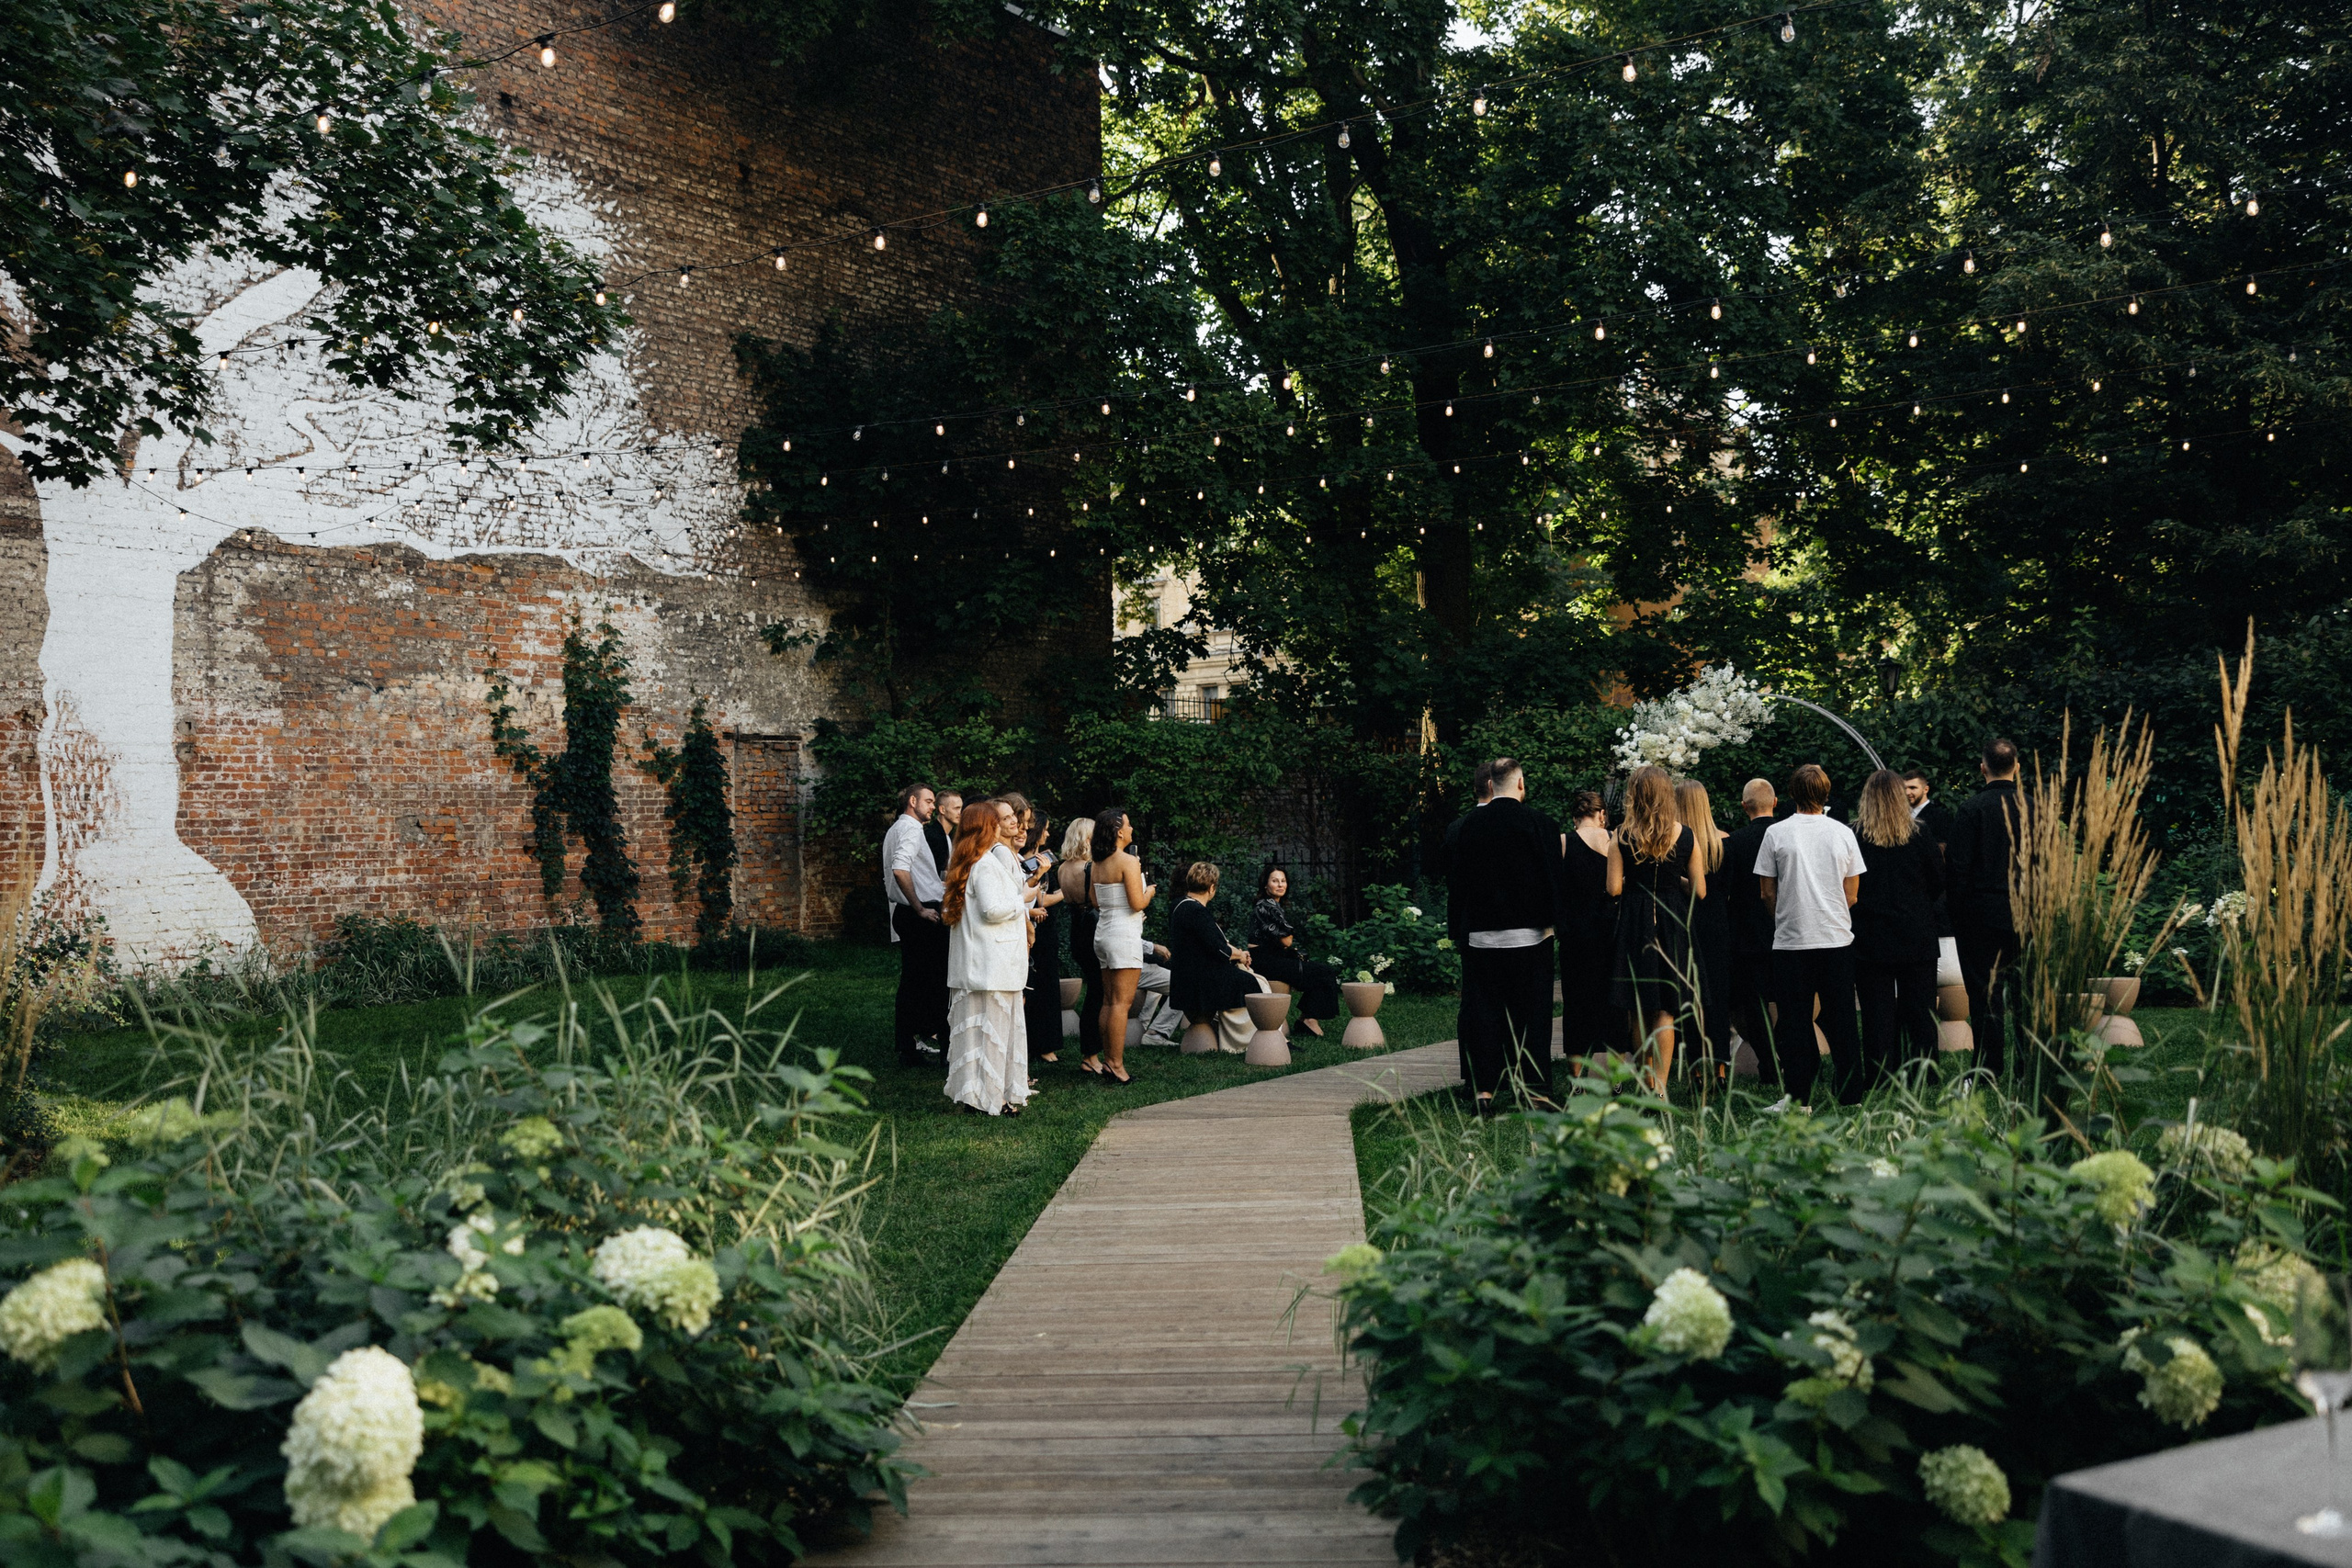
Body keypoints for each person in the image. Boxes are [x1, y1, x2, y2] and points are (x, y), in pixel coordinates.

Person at [1450, 759, 1564, 1111]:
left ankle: (1484, 1091)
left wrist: (1460, 930)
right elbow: (1553, 880)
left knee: (1484, 1011)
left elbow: (1458, 882)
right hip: (1531, 935)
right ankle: (1534, 1090)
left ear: (1490, 785)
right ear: (1519, 783)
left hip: (1481, 936)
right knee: (1533, 1013)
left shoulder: (1466, 826)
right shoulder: (1541, 824)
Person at [1757, 762, 1867, 1105]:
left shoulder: (1776, 833)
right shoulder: (1843, 832)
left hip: (1792, 941)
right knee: (1843, 1019)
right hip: (1836, 938)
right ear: (1826, 793)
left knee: (1794, 1022)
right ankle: (1851, 1094)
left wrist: (1788, 917)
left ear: (1790, 795)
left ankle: (1797, 1098)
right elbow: (1852, 893)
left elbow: (1766, 892)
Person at [1608, 765, 1704, 1095]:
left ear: (1634, 795)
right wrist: (1671, 877)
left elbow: (1614, 890)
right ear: (1667, 794)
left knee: (1639, 1005)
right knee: (1667, 1006)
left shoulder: (1621, 835)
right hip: (1672, 921)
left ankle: (1646, 1079)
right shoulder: (1686, 834)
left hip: (1635, 921)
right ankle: (1661, 1086)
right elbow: (1700, 890)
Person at [1852, 769, 1945, 1084]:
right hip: (1915, 930)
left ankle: (1880, 1073)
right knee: (1920, 1008)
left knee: (1876, 1010)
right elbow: (1937, 881)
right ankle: (1925, 1073)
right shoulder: (1920, 834)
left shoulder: (1855, 836)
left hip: (1869, 934)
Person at [941, 796, 1029, 1116]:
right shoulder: (986, 864)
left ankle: (974, 1096)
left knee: (975, 1035)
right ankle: (993, 1099)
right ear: (985, 827)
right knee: (993, 1033)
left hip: (977, 964)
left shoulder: (965, 862)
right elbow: (993, 910)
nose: (1000, 827)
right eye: (995, 822)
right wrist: (1022, 901)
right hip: (994, 965)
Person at [1945, 739, 2026, 1072]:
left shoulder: (1971, 809)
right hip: (2029, 913)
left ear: (1982, 768)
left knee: (1985, 995)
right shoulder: (2035, 807)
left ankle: (1989, 1066)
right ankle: (2028, 1065)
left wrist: (1958, 914)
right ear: (2017, 766)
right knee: (2026, 995)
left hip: (1981, 917)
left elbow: (1957, 868)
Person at [1442, 760, 1499, 1087]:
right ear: (1494, 785)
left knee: (1473, 999)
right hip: (1493, 923)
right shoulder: (1491, 825)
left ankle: (1472, 1075)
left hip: (1466, 923)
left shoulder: (1456, 827)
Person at [1170, 862, 1265, 1054]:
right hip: (1202, 982)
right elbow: (1220, 950)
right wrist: (1241, 955)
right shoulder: (1197, 911)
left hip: (1184, 978)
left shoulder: (1178, 906)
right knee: (1251, 982)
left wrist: (1237, 954)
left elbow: (1208, 944)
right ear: (1212, 888)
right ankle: (1243, 1042)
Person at [883, 782, 946, 1069]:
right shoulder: (910, 829)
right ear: (912, 801)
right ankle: (940, 1046)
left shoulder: (896, 829)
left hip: (908, 912)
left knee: (912, 982)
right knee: (934, 980)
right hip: (919, 914)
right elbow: (900, 868)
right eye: (929, 801)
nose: (933, 807)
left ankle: (908, 1046)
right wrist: (920, 907)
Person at [1090, 807, 1154, 1087]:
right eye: (1127, 825)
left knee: (1108, 1000)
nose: (1131, 830)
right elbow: (1137, 903)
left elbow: (1094, 900)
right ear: (1118, 832)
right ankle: (1116, 1065)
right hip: (1123, 935)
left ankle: (1108, 1061)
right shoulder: (1128, 861)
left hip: (1103, 933)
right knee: (1121, 1003)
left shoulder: (1097, 863)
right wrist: (1150, 891)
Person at [1721, 779, 1780, 1076]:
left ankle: (1769, 1063)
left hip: (1747, 936)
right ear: (1775, 802)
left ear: (1744, 807)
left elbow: (1724, 892)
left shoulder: (1733, 843)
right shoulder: (1787, 835)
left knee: (1753, 1006)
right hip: (1786, 931)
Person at [1675, 779, 1733, 1071]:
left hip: (1685, 925)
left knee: (1690, 998)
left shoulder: (1677, 843)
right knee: (1718, 999)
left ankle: (1696, 1066)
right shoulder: (1725, 841)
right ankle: (1721, 1065)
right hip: (1719, 927)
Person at [1556, 789, 1617, 1064]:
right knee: (1612, 1002)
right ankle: (1612, 1075)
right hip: (1611, 932)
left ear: (1574, 817)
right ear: (1602, 814)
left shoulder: (1563, 842)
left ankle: (1577, 1078)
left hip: (1575, 934)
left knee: (1576, 1004)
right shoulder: (1615, 840)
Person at [1004, 796, 1064, 1067]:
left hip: (1033, 926)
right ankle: (1034, 1046)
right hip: (1025, 928)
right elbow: (1029, 898)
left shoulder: (1023, 859)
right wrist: (1063, 894)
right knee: (1031, 991)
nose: (1047, 834)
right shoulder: (1018, 860)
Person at [1250, 866, 1340, 1037]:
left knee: (1318, 970)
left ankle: (1307, 1019)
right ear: (1265, 885)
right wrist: (1288, 933)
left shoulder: (1270, 904)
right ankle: (1309, 1020)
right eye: (1275, 881)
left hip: (1270, 957)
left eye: (1283, 881)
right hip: (1265, 960)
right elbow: (1287, 940)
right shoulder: (1267, 905)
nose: (1280, 885)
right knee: (1324, 972)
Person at [1057, 818, 1102, 1072]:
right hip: (1092, 929)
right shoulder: (1089, 867)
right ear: (1087, 840)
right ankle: (1090, 1055)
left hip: (1076, 931)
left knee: (1094, 991)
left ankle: (1091, 1052)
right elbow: (1098, 902)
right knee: (1098, 994)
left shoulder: (1063, 868)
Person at [925, 790, 960, 882]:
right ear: (942, 810)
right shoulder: (932, 837)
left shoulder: (948, 836)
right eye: (956, 808)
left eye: (961, 808)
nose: (960, 812)